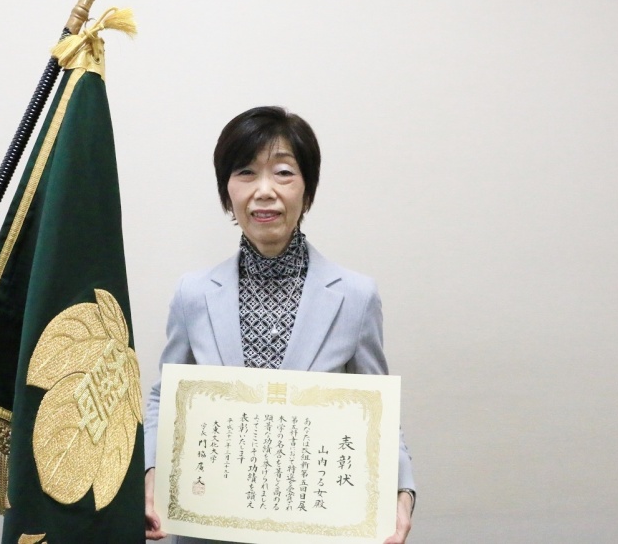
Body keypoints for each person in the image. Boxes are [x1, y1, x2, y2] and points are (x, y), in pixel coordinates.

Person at [143, 106, 415, 544]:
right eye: (245, 172)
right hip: (207, 532)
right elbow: (165, 395)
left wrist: (403, 491)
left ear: (306, 191)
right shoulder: (193, 293)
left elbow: (379, 414)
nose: (264, 191)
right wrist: (151, 473)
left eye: (283, 172)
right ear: (226, 190)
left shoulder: (356, 296)